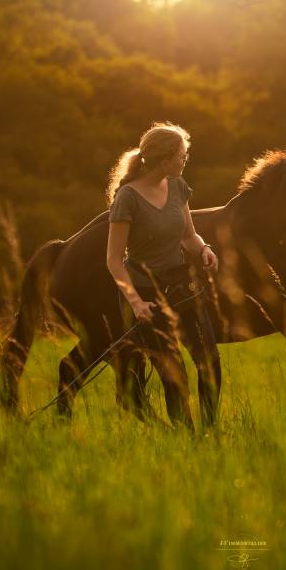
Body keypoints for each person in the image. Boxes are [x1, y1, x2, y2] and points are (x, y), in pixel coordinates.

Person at [105, 122, 220, 424]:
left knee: (210, 362)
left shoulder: (178, 187)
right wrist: (136, 304)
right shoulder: (127, 198)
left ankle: (209, 435)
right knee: (174, 374)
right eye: (182, 156)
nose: (185, 161)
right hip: (145, 295)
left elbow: (188, 236)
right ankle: (186, 440)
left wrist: (205, 249)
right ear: (165, 159)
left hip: (181, 286)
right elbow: (114, 260)